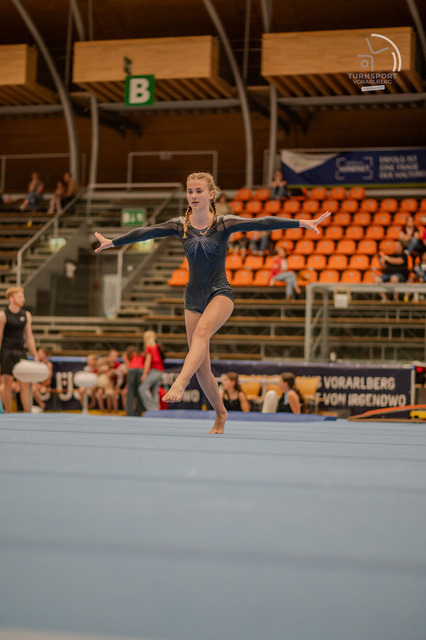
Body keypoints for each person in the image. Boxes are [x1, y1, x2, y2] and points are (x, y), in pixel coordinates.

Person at [94, 171, 330, 434]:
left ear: (211, 194)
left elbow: (261, 222)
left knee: (201, 334)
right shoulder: (179, 225)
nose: (193, 195)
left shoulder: (223, 224)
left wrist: (301, 222)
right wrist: (113, 242)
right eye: (190, 191)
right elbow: (146, 232)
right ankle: (221, 414)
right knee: (202, 368)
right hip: (193, 297)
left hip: (220, 293)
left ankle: (180, 382)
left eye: (198, 191)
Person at [0, 286, 39, 413]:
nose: (23, 299)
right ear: (11, 299)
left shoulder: (26, 315)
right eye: (20, 297)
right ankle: (8, 412)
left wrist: (35, 354)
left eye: (22, 296)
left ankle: (27, 413)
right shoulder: (3, 315)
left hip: (20, 351)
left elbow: (29, 337)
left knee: (25, 383)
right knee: (7, 382)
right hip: (7, 351)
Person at [138, 330, 165, 411]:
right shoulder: (157, 346)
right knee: (155, 390)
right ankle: (156, 408)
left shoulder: (149, 347)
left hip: (155, 370)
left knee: (142, 388)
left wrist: (144, 374)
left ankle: (152, 408)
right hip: (160, 370)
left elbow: (148, 361)